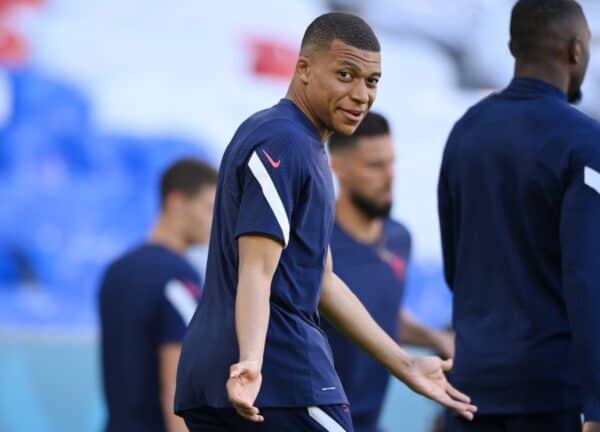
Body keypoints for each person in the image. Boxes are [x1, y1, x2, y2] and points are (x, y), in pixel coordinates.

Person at [175, 12, 476, 432]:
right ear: (303, 69)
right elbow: (257, 270)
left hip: (227, 379)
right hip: (278, 379)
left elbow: (324, 281)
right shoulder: (286, 141)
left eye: (371, 82)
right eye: (346, 75)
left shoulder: (293, 141)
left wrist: (405, 365)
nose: (361, 94)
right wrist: (251, 361)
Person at [437, 1, 600, 431]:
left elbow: (455, 267)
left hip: (471, 391)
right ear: (576, 51)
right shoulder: (585, 142)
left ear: (512, 47)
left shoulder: (465, 131)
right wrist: (597, 404)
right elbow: (587, 278)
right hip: (548, 397)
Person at [323, 111, 454, 432]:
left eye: (392, 162)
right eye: (375, 166)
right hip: (318, 420)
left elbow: (382, 315)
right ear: (337, 167)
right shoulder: (318, 243)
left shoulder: (399, 238)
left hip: (369, 422)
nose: (390, 175)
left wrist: (436, 337)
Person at [99, 158, 218, 432]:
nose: (214, 221)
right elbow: (177, 386)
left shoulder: (116, 272)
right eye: (209, 208)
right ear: (176, 202)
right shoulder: (178, 278)